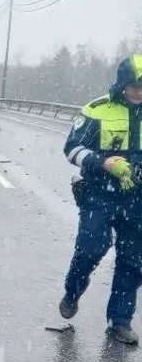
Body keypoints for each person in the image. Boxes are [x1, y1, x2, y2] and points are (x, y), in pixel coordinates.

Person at [60, 53, 142, 344]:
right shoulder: (97, 111)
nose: (139, 92)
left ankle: (120, 321)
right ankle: (73, 290)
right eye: (134, 86)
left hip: (137, 199)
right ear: (122, 84)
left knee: (133, 262)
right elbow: (72, 150)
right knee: (91, 248)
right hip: (100, 193)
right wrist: (103, 162)